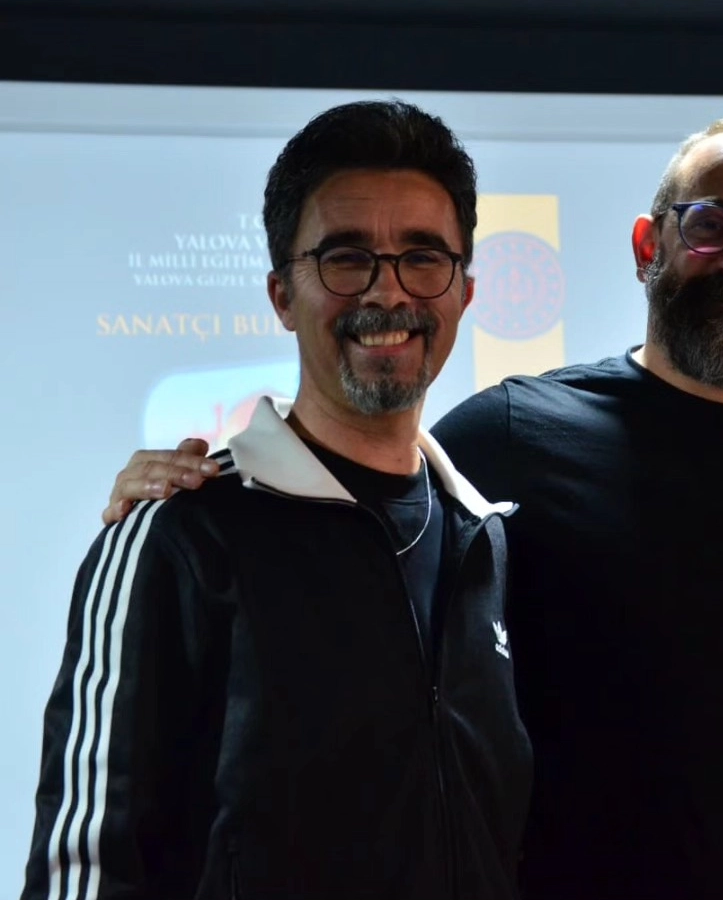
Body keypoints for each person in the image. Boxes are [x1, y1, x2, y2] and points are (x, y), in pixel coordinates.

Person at [102, 111, 723, 899]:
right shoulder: (506, 438)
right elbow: (358, 494)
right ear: (648, 245)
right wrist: (185, 495)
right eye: (709, 224)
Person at [24, 100, 531, 899]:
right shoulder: (179, 532)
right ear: (282, 295)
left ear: (464, 292)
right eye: (345, 258)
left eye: (422, 256)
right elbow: (85, 867)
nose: (388, 291)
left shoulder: (484, 543)